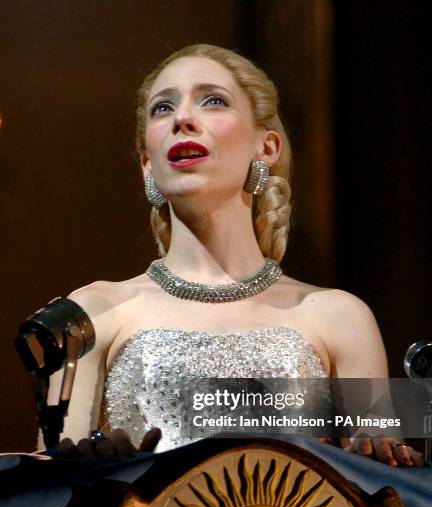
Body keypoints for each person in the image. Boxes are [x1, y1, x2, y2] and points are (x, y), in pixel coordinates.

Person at [44, 43, 423, 467]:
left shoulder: (340, 317)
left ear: (267, 147)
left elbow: (387, 498)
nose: (182, 119)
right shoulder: (91, 314)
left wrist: (377, 454)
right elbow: (44, 500)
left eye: (212, 101)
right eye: (162, 109)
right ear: (147, 165)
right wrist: (95, 473)